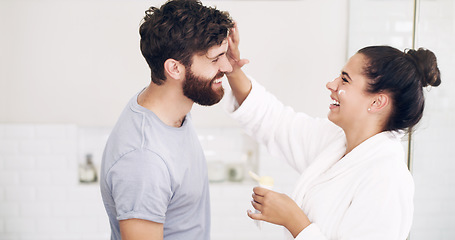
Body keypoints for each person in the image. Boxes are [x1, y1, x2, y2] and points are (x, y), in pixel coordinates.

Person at [225, 24, 441, 239]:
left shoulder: (388, 179)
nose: (331, 84)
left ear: (377, 102)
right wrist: (233, 71)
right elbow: (275, 122)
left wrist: (294, 220)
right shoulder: (337, 141)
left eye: (345, 79)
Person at [100, 1, 233, 239]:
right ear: (174, 68)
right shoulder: (143, 160)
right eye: (215, 59)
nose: (227, 66)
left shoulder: (170, 106)